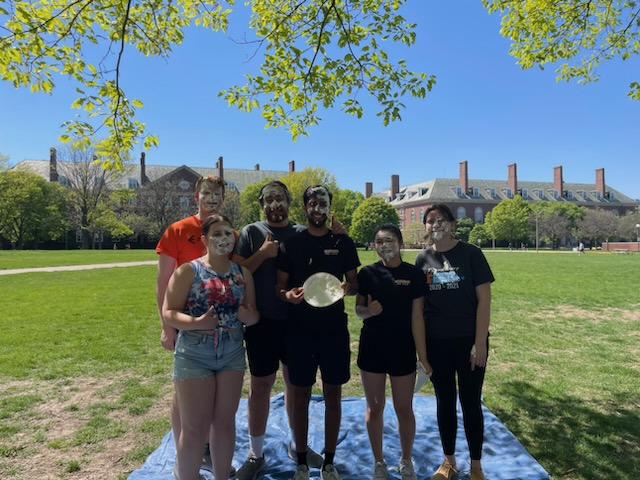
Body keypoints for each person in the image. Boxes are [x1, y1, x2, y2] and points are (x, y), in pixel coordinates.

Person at [232, 181, 324, 480]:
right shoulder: (251, 232)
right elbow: (236, 271)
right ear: (262, 204)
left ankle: (298, 447)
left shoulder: (301, 233)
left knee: (297, 387)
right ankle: (255, 454)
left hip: (298, 321)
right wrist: (263, 253)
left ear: (288, 202)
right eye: (269, 200)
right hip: (263, 322)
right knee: (261, 387)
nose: (275, 205)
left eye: (280, 199)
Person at [162, 214, 260, 480]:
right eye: (216, 234)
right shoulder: (188, 271)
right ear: (204, 239)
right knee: (194, 427)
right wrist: (195, 322)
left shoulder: (243, 274)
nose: (223, 239)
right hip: (195, 352)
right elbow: (169, 312)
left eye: (228, 233)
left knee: (225, 422)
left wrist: (247, 316)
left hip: (231, 351)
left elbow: (253, 315)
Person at [275, 185, 360, 480]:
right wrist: (288, 296)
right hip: (299, 332)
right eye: (312, 202)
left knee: (333, 394)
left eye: (323, 202)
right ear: (305, 208)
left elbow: (354, 283)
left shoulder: (343, 243)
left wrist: (348, 289)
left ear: (330, 206)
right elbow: (279, 287)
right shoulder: (291, 245)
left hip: (334, 331)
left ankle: (329, 462)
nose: (317, 208)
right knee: (301, 396)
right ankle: (300, 460)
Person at [156, 175, 233, 476]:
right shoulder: (177, 230)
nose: (212, 198)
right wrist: (167, 326)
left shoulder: (228, 232)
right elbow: (163, 281)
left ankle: (209, 452)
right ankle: (183, 453)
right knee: (184, 395)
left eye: (217, 194)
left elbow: (236, 272)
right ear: (196, 197)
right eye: (207, 193)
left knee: (216, 398)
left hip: (219, 331)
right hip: (185, 326)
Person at [414, 204, 495, 480]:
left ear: (452, 224)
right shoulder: (421, 259)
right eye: (429, 221)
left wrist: (480, 342)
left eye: (440, 219)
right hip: (437, 344)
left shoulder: (471, 253)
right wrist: (422, 352)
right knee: (444, 401)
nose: (435, 224)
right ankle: (448, 461)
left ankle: (475, 465)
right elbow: (418, 308)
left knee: (471, 401)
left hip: (469, 343)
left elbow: (484, 300)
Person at [355, 223, 432, 480]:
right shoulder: (367, 273)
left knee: (403, 408)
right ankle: (379, 463)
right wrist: (369, 311)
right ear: (374, 246)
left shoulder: (413, 274)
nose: (385, 245)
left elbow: (417, 317)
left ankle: (405, 459)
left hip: (403, 349)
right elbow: (358, 310)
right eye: (379, 241)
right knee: (374, 408)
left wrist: (422, 356)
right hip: (372, 349)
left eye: (389, 240)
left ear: (399, 242)